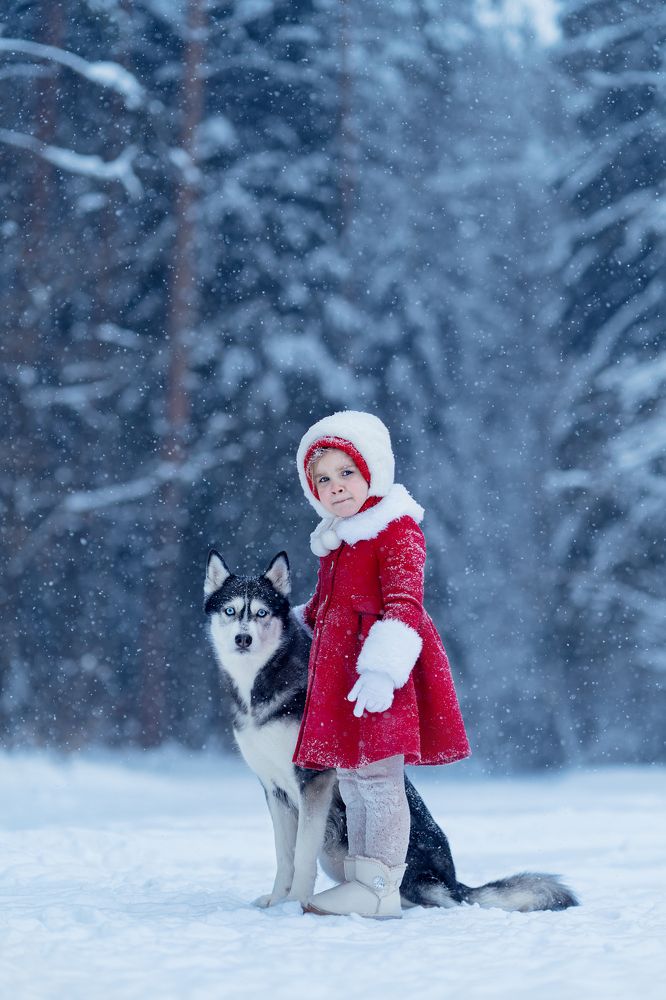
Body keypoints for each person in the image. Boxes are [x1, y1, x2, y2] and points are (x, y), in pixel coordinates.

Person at [292, 411, 470, 918]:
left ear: (373, 468)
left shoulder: (395, 529)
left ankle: (379, 884)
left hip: (378, 671)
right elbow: (322, 610)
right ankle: (359, 877)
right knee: (350, 778)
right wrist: (283, 624)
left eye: (346, 472)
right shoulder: (339, 541)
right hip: (339, 672)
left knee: (378, 778)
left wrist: (383, 669)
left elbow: (405, 605)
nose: (335, 486)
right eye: (322, 479)